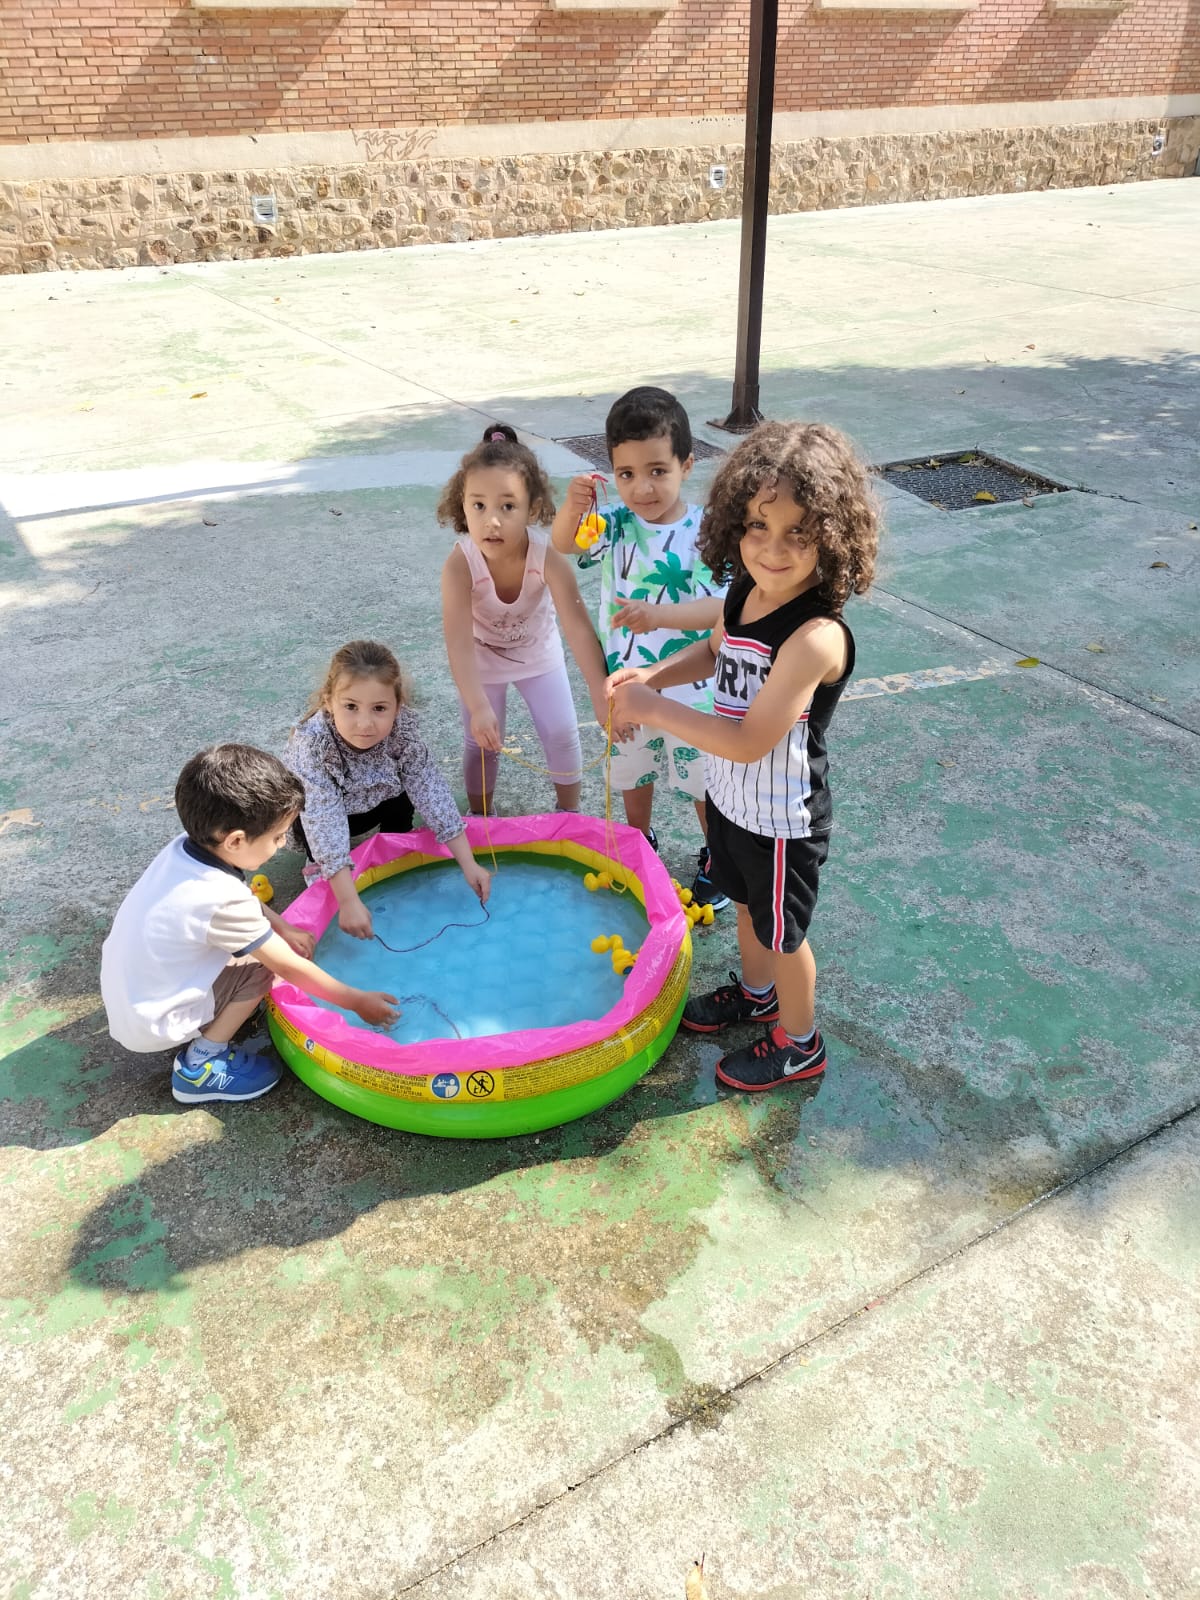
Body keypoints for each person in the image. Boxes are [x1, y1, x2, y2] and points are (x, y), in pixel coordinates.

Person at [609, 421, 879, 1091]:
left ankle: (801, 1042)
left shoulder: (816, 637)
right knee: (746, 906)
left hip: (782, 817)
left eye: (798, 533)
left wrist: (652, 709)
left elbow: (751, 740)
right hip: (731, 796)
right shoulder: (745, 593)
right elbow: (714, 652)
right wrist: (653, 677)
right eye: (758, 525)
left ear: (834, 536)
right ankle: (758, 997)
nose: (772, 549)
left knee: (783, 933)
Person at [100, 744, 401, 1104]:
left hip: (134, 997)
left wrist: (283, 926)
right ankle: (201, 1064)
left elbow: (237, 896)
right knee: (262, 967)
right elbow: (287, 967)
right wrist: (355, 1000)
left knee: (264, 945)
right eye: (277, 837)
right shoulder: (219, 898)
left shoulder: (185, 850)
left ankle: (211, 1022)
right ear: (236, 840)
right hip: (156, 1021)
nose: (283, 844)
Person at [550, 385, 728, 909]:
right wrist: (572, 506)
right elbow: (565, 543)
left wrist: (659, 616)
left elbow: (721, 609)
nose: (642, 487)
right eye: (626, 474)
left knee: (702, 782)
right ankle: (638, 842)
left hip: (693, 689)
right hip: (626, 682)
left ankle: (718, 857)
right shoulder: (615, 525)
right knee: (632, 768)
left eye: (657, 470)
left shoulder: (708, 531)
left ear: (686, 465)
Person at [439, 423, 612, 816]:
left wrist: (599, 691)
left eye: (508, 506)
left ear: (532, 509)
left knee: (562, 733)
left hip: (538, 654)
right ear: (462, 505)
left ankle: (568, 815)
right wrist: (477, 704)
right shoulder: (459, 565)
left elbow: (578, 628)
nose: (492, 521)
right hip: (481, 660)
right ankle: (482, 817)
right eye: (478, 505)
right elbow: (458, 643)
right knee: (480, 741)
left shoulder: (547, 557)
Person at [285, 639, 491, 939]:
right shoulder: (312, 745)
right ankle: (319, 864)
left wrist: (469, 864)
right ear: (329, 701)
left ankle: (395, 844)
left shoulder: (402, 732)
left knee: (407, 790)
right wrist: (348, 900)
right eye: (351, 707)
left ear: (397, 706)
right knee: (306, 814)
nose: (365, 724)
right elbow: (322, 818)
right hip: (327, 813)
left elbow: (429, 788)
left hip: (379, 800)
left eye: (379, 708)